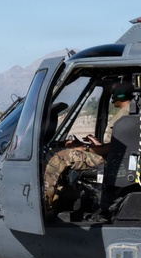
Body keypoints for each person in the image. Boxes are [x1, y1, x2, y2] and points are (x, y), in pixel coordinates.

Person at [42, 81, 135, 215]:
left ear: (121, 95)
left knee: (59, 156)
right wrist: (94, 144)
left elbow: (111, 149)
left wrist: (83, 148)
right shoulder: (125, 112)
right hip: (110, 156)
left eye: (114, 93)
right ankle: (57, 200)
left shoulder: (125, 115)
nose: (112, 96)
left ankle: (47, 207)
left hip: (112, 161)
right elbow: (115, 145)